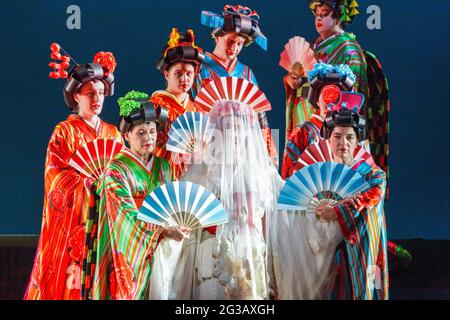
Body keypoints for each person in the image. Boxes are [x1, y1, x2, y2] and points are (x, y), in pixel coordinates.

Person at [25, 51, 122, 300]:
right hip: (75, 221)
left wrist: (111, 186)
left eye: (100, 93)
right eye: (90, 93)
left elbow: (123, 174)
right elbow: (55, 176)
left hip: (105, 221)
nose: (97, 98)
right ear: (76, 96)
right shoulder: (64, 132)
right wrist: (87, 184)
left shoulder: (113, 133)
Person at [269, 106, 388, 300]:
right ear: (328, 140)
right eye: (338, 136)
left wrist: (338, 211)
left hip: (359, 245)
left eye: (350, 137)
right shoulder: (319, 176)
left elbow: (374, 194)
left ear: (358, 142)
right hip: (325, 252)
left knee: (360, 287)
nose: (344, 143)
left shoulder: (371, 174)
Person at [86, 91, 190, 300]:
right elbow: (124, 213)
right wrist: (161, 230)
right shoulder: (115, 170)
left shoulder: (164, 167)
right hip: (132, 247)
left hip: (164, 246)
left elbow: (173, 203)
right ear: (126, 135)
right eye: (141, 132)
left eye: (152, 131)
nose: (149, 138)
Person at [195, 4, 278, 166]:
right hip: (209, 140)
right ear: (217, 36)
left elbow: (260, 113)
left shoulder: (246, 72)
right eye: (230, 40)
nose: (234, 47)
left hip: (242, 143)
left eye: (239, 43)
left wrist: (269, 146)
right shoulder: (200, 67)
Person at [281, 63, 358, 179]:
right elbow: (289, 172)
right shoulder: (303, 132)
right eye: (327, 95)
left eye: (337, 96)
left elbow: (363, 166)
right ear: (317, 100)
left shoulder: (353, 131)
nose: (331, 101)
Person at [151, 28, 204, 180]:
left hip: (193, 179)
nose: (185, 79)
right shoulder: (153, 106)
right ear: (167, 74)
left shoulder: (198, 110)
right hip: (160, 177)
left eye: (189, 74)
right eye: (178, 74)